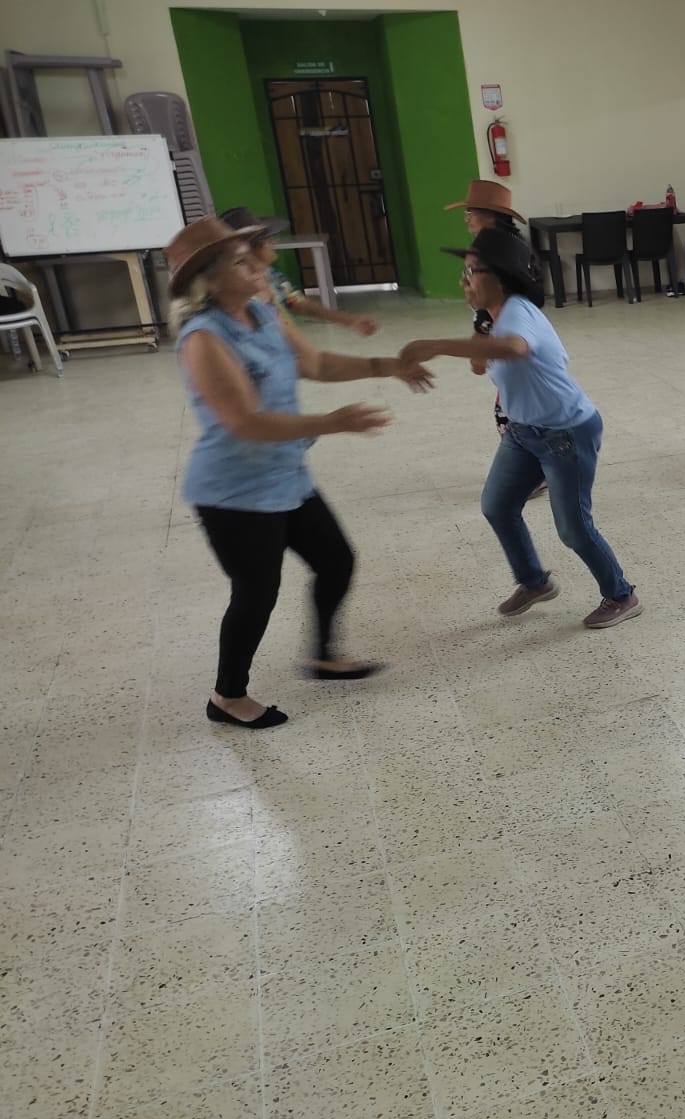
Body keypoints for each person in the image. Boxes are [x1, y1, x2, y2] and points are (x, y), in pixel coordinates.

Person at [167, 215, 433, 730]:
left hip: (285, 471)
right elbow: (244, 421)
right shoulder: (203, 338)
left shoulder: (262, 311)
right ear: (209, 280)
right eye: (241, 262)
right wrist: (332, 423)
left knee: (336, 561)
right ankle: (227, 696)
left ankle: (323, 657)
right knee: (256, 592)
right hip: (234, 491)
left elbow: (315, 364)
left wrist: (387, 366)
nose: (257, 266)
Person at [399, 227, 641, 629]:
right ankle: (534, 581)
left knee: (574, 530)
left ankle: (621, 595)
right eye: (463, 272)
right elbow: (481, 365)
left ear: (502, 277)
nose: (464, 281)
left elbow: (514, 348)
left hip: (566, 432)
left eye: (472, 272)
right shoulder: (495, 317)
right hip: (523, 431)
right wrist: (480, 330)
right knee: (497, 505)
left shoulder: (518, 312)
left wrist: (435, 345)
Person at [446, 181, 546, 497]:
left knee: (512, 411)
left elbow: (491, 307)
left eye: (471, 212)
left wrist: (478, 345)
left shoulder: (495, 253)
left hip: (505, 332)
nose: (466, 218)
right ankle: (535, 469)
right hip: (513, 331)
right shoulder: (509, 245)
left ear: (490, 215)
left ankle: (534, 473)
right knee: (513, 405)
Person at [218, 206, 379, 337]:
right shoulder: (240, 293)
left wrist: (347, 320)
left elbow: (298, 303)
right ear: (249, 249)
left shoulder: (270, 275)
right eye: (267, 239)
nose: (273, 243)